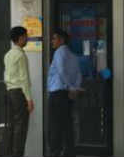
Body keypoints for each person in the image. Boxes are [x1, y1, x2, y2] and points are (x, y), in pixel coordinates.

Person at [47, 28, 82, 157]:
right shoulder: (73, 55)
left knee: (55, 125)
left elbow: (61, 71)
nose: (52, 41)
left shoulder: (59, 52)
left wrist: (70, 86)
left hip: (58, 93)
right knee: (67, 125)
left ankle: (55, 152)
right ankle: (69, 152)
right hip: (68, 95)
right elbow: (78, 74)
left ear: (61, 40)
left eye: (54, 38)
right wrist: (74, 88)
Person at [4, 26, 33, 157]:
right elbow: (24, 79)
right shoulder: (21, 55)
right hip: (19, 93)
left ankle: (9, 153)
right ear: (20, 38)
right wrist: (29, 99)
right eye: (26, 37)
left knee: (11, 125)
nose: (27, 39)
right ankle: (17, 154)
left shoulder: (8, 54)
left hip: (9, 92)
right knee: (21, 127)